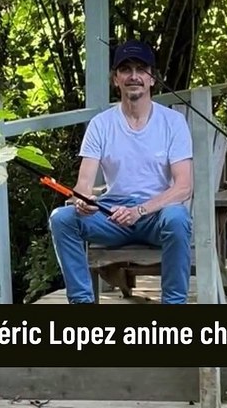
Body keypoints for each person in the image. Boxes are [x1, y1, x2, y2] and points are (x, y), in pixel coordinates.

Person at [47, 40, 194, 304]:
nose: (134, 76)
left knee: (177, 217)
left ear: (152, 78)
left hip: (155, 215)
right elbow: (83, 185)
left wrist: (140, 211)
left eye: (141, 69)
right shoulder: (100, 125)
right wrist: (81, 201)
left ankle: (173, 304)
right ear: (116, 79)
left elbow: (183, 187)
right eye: (126, 69)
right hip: (111, 215)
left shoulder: (173, 122)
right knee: (61, 219)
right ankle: (82, 302)